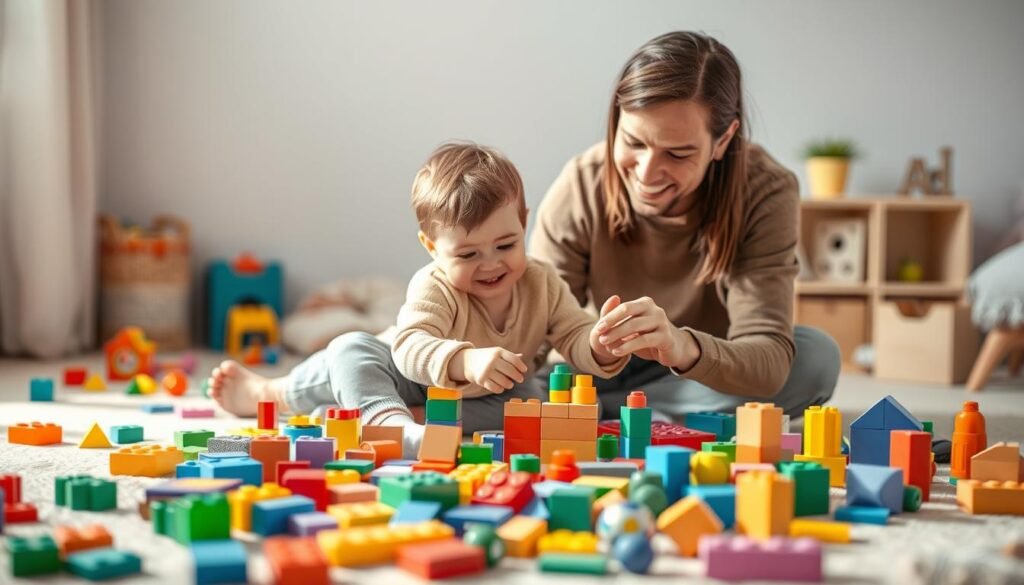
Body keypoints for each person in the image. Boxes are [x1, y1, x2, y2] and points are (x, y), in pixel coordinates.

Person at [208, 142, 628, 456]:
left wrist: (599, 344)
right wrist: (465, 361)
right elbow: (410, 349)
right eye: (467, 254)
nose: (490, 264)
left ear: (523, 223)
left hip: (482, 394)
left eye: (505, 245)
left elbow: (573, 332)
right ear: (431, 247)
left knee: (532, 401)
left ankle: (414, 418)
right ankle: (279, 394)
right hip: (404, 373)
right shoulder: (434, 285)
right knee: (349, 351)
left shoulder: (543, 282)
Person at [528, 31, 841, 419]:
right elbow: (535, 330)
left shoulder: (765, 190)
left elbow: (768, 358)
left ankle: (610, 414)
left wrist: (680, 346)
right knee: (517, 376)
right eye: (634, 143)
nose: (647, 172)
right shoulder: (581, 183)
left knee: (815, 360)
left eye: (677, 154)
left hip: (702, 370)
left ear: (723, 140)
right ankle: (636, 412)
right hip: (597, 370)